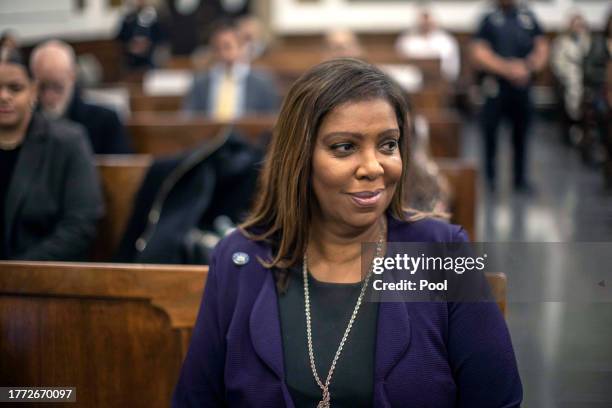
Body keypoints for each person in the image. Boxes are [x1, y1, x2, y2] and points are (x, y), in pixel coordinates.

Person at [173, 58, 522, 407]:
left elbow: (497, 399)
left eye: (388, 145)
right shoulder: (240, 258)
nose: (373, 167)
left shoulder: (440, 252)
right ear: (299, 157)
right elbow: (195, 400)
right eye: (345, 147)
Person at [0, 47, 104, 261]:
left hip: (42, 277)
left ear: (33, 90)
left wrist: (18, 272)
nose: (3, 96)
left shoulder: (68, 141)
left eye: (15, 88)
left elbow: (80, 225)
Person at [471, 0, 549, 193]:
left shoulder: (528, 17)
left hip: (522, 87)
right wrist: (507, 69)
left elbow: (542, 47)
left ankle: (520, 180)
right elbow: (479, 52)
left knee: (522, 134)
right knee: (490, 134)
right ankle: (489, 180)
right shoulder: (488, 18)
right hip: (495, 87)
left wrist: (527, 67)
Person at [29, 40, 132, 154]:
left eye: (57, 87)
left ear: (72, 77)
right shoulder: (26, 120)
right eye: (42, 87)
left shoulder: (105, 121)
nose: (49, 95)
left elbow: (121, 169)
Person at [182, 19, 280, 120]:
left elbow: (270, 118)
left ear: (241, 48)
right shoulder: (200, 83)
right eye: (217, 48)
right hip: (209, 134)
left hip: (247, 134)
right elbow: (188, 117)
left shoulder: (262, 82)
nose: (223, 54)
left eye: (227, 47)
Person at [551, 12, 591, 145]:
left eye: (580, 25)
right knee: (571, 93)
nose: (578, 28)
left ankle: (581, 127)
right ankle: (571, 126)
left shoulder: (587, 41)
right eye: (575, 25)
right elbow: (557, 62)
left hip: (585, 79)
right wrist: (566, 75)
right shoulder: (562, 42)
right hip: (567, 78)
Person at [395, 9, 460, 82]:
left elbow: (449, 67)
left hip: (439, 81)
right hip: (413, 81)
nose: (425, 22)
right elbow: (402, 61)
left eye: (427, 18)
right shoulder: (407, 39)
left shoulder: (445, 40)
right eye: (422, 19)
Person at [116, 0, 165, 69]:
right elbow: (120, 38)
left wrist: (148, 44)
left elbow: (161, 37)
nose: (140, 1)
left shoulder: (155, 18)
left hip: (149, 59)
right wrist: (130, 44)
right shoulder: (128, 19)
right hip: (131, 59)